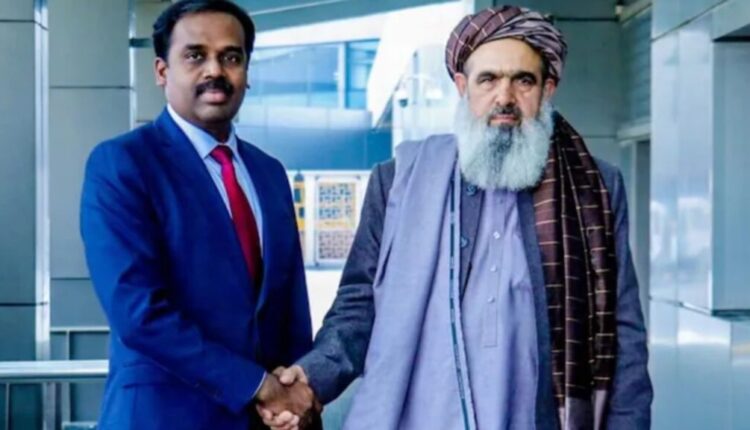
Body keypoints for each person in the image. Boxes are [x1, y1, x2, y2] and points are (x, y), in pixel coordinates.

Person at [262, 5, 652, 430]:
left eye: (523, 80)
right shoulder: (398, 181)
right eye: (488, 79)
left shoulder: (594, 188)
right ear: (463, 86)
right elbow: (359, 305)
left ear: (548, 89)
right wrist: (312, 378)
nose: (505, 97)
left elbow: (622, 331)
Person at [80, 1, 319, 428]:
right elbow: (138, 312)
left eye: (231, 57)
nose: (215, 70)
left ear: (246, 71)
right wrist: (258, 385)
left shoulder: (269, 173)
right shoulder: (123, 164)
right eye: (195, 56)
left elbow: (290, 309)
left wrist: (297, 400)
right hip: (161, 417)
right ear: (161, 71)